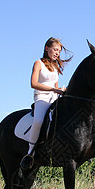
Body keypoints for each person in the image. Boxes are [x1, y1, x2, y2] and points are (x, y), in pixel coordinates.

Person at [20, 37, 72, 170]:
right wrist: (54, 89)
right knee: (38, 120)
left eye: (59, 51)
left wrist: (61, 90)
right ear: (46, 48)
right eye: (55, 49)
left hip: (54, 97)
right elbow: (34, 83)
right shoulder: (38, 63)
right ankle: (30, 152)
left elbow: (56, 85)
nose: (57, 53)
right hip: (41, 97)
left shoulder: (55, 66)